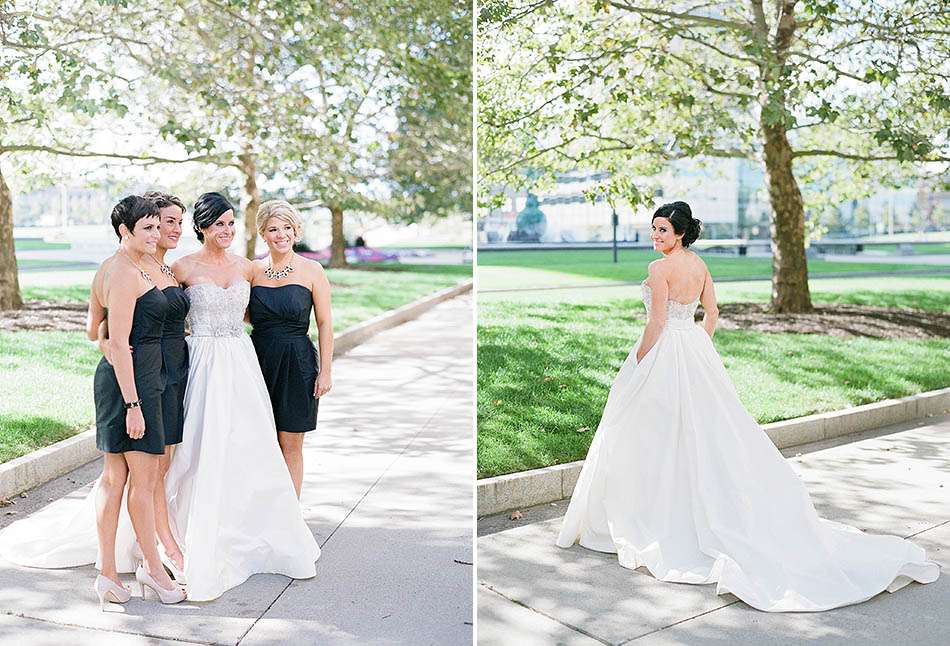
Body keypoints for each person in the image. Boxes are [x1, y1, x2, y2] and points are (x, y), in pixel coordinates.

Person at [556, 201, 939, 612]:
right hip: (695, 350)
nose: (656, 236)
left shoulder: (659, 270)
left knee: (649, 430)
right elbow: (713, 312)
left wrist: (639, 361)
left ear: (680, 232)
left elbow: (658, 322)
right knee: (699, 430)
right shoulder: (699, 266)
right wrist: (701, 344)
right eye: (654, 229)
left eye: (663, 231)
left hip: (664, 351)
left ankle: (649, 513)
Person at [164, 192, 320, 601]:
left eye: (232, 224)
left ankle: (264, 527)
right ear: (201, 227)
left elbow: (269, 302)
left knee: (251, 447)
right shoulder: (180, 267)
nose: (227, 231)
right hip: (200, 361)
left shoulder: (248, 268)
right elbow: (161, 310)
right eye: (219, 225)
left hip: (240, 362)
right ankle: (182, 532)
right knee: (198, 446)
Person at [249, 200, 333, 498]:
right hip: (256, 361)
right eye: (273, 229)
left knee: (291, 443)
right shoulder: (253, 271)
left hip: (298, 362)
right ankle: (262, 506)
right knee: (260, 440)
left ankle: (289, 515)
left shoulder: (312, 271)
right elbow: (241, 312)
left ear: (296, 231)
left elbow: (324, 323)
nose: (280, 234)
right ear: (263, 233)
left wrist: (325, 372)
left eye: (287, 227)